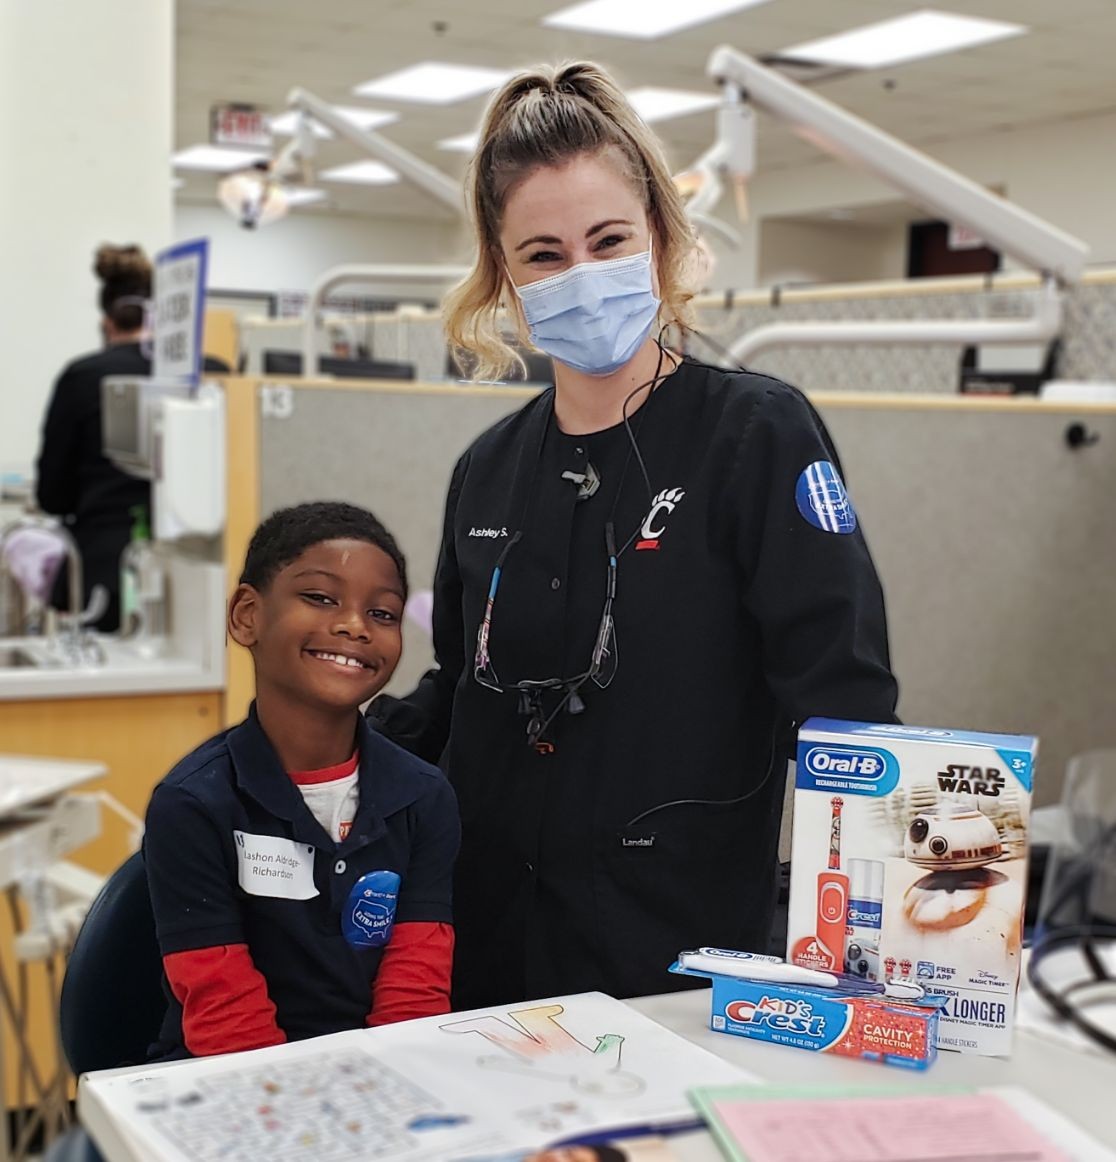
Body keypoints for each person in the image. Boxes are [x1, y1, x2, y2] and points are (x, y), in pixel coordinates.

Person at [369, 62, 898, 1010]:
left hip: (673, 964)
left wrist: (894, 938)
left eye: (608, 240)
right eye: (543, 255)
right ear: (503, 275)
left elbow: (843, 708)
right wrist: (309, 752)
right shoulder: (489, 467)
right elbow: (460, 694)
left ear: (660, 235)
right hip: (490, 956)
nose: (581, 275)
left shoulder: (754, 437)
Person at [144, 502, 460, 1058]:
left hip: (385, 1075)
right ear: (247, 616)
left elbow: (414, 997)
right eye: (320, 598)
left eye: (383, 613)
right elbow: (226, 1016)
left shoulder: (423, 796)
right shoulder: (193, 802)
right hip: (237, 1079)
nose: (354, 626)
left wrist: (402, 1096)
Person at [34, 244, 227, 631]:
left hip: (105, 572)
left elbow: (52, 496)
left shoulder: (83, 376)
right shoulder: (215, 375)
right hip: (205, 569)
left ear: (107, 323)